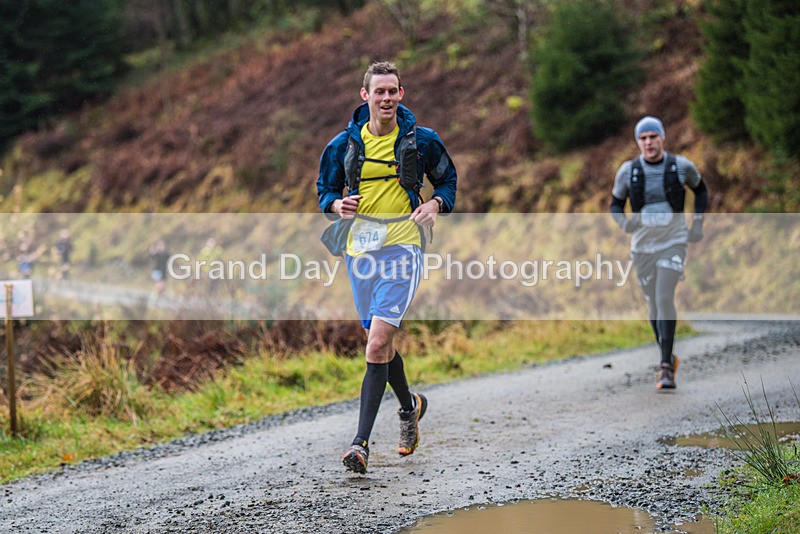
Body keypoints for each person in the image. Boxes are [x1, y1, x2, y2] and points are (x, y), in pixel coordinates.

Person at [317, 61, 458, 473]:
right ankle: (410, 406)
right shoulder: (344, 143)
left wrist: (434, 204)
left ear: (401, 94)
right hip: (360, 249)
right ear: (365, 96)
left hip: (403, 245)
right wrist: (334, 204)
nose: (386, 98)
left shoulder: (421, 141)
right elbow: (325, 189)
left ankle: (359, 444)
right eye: (378, 91)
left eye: (392, 91)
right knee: (381, 342)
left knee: (376, 343)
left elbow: (448, 182)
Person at [610, 116, 708, 390]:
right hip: (642, 246)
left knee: (665, 296)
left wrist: (697, 223)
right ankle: (668, 355)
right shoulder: (628, 171)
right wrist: (625, 224)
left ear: (662, 138)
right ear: (637, 142)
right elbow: (615, 204)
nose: (648, 142)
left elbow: (701, 191)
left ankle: (665, 367)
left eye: (653, 136)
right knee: (652, 301)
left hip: (673, 240)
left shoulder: (680, 166)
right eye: (643, 138)